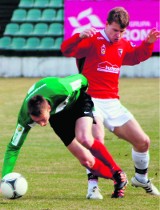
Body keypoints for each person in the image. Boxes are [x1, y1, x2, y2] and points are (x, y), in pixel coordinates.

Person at [61, 7, 160, 199]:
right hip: (90, 99)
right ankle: (93, 187)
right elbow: (67, 50)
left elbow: (134, 57)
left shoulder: (123, 43)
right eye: (115, 30)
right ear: (106, 25)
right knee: (96, 138)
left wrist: (148, 44)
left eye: (122, 31)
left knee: (143, 141)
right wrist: (79, 36)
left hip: (113, 102)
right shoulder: (92, 40)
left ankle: (141, 178)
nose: (118, 35)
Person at [1, 74, 128, 199]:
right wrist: (4, 180)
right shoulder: (24, 118)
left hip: (78, 103)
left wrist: (90, 105)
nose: (42, 124)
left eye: (43, 120)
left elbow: (83, 79)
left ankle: (116, 171)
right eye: (38, 121)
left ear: (49, 107)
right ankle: (118, 178)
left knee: (84, 138)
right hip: (57, 117)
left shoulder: (62, 88)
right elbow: (13, 148)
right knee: (86, 161)